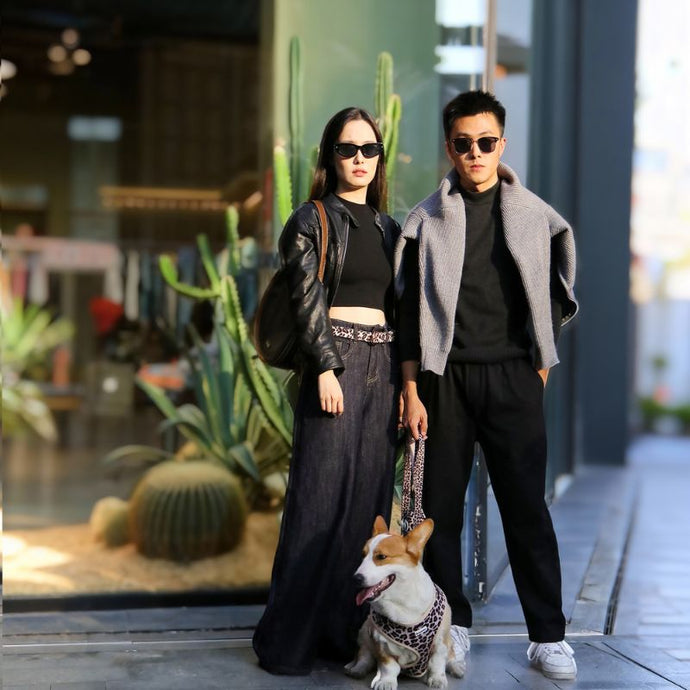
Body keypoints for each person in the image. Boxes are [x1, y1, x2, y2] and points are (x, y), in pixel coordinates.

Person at [395, 90, 578, 681]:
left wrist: (538, 367)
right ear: (449, 148)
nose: (475, 153)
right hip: (443, 380)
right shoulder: (425, 220)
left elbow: (554, 294)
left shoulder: (534, 215)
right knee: (441, 513)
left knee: (526, 511)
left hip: (513, 379)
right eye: (463, 143)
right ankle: (453, 626)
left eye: (486, 142)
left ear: (502, 143)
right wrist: (411, 389)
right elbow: (406, 313)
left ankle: (548, 637)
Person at [253, 107, 401, 675]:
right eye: (347, 149)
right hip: (334, 360)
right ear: (330, 156)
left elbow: (399, 309)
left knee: (366, 506)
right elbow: (306, 297)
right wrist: (323, 366)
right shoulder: (310, 219)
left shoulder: (389, 229)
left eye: (370, 149)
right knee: (317, 502)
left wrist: (407, 386)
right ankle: (288, 642)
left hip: (383, 365)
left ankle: (344, 635)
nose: (359, 159)